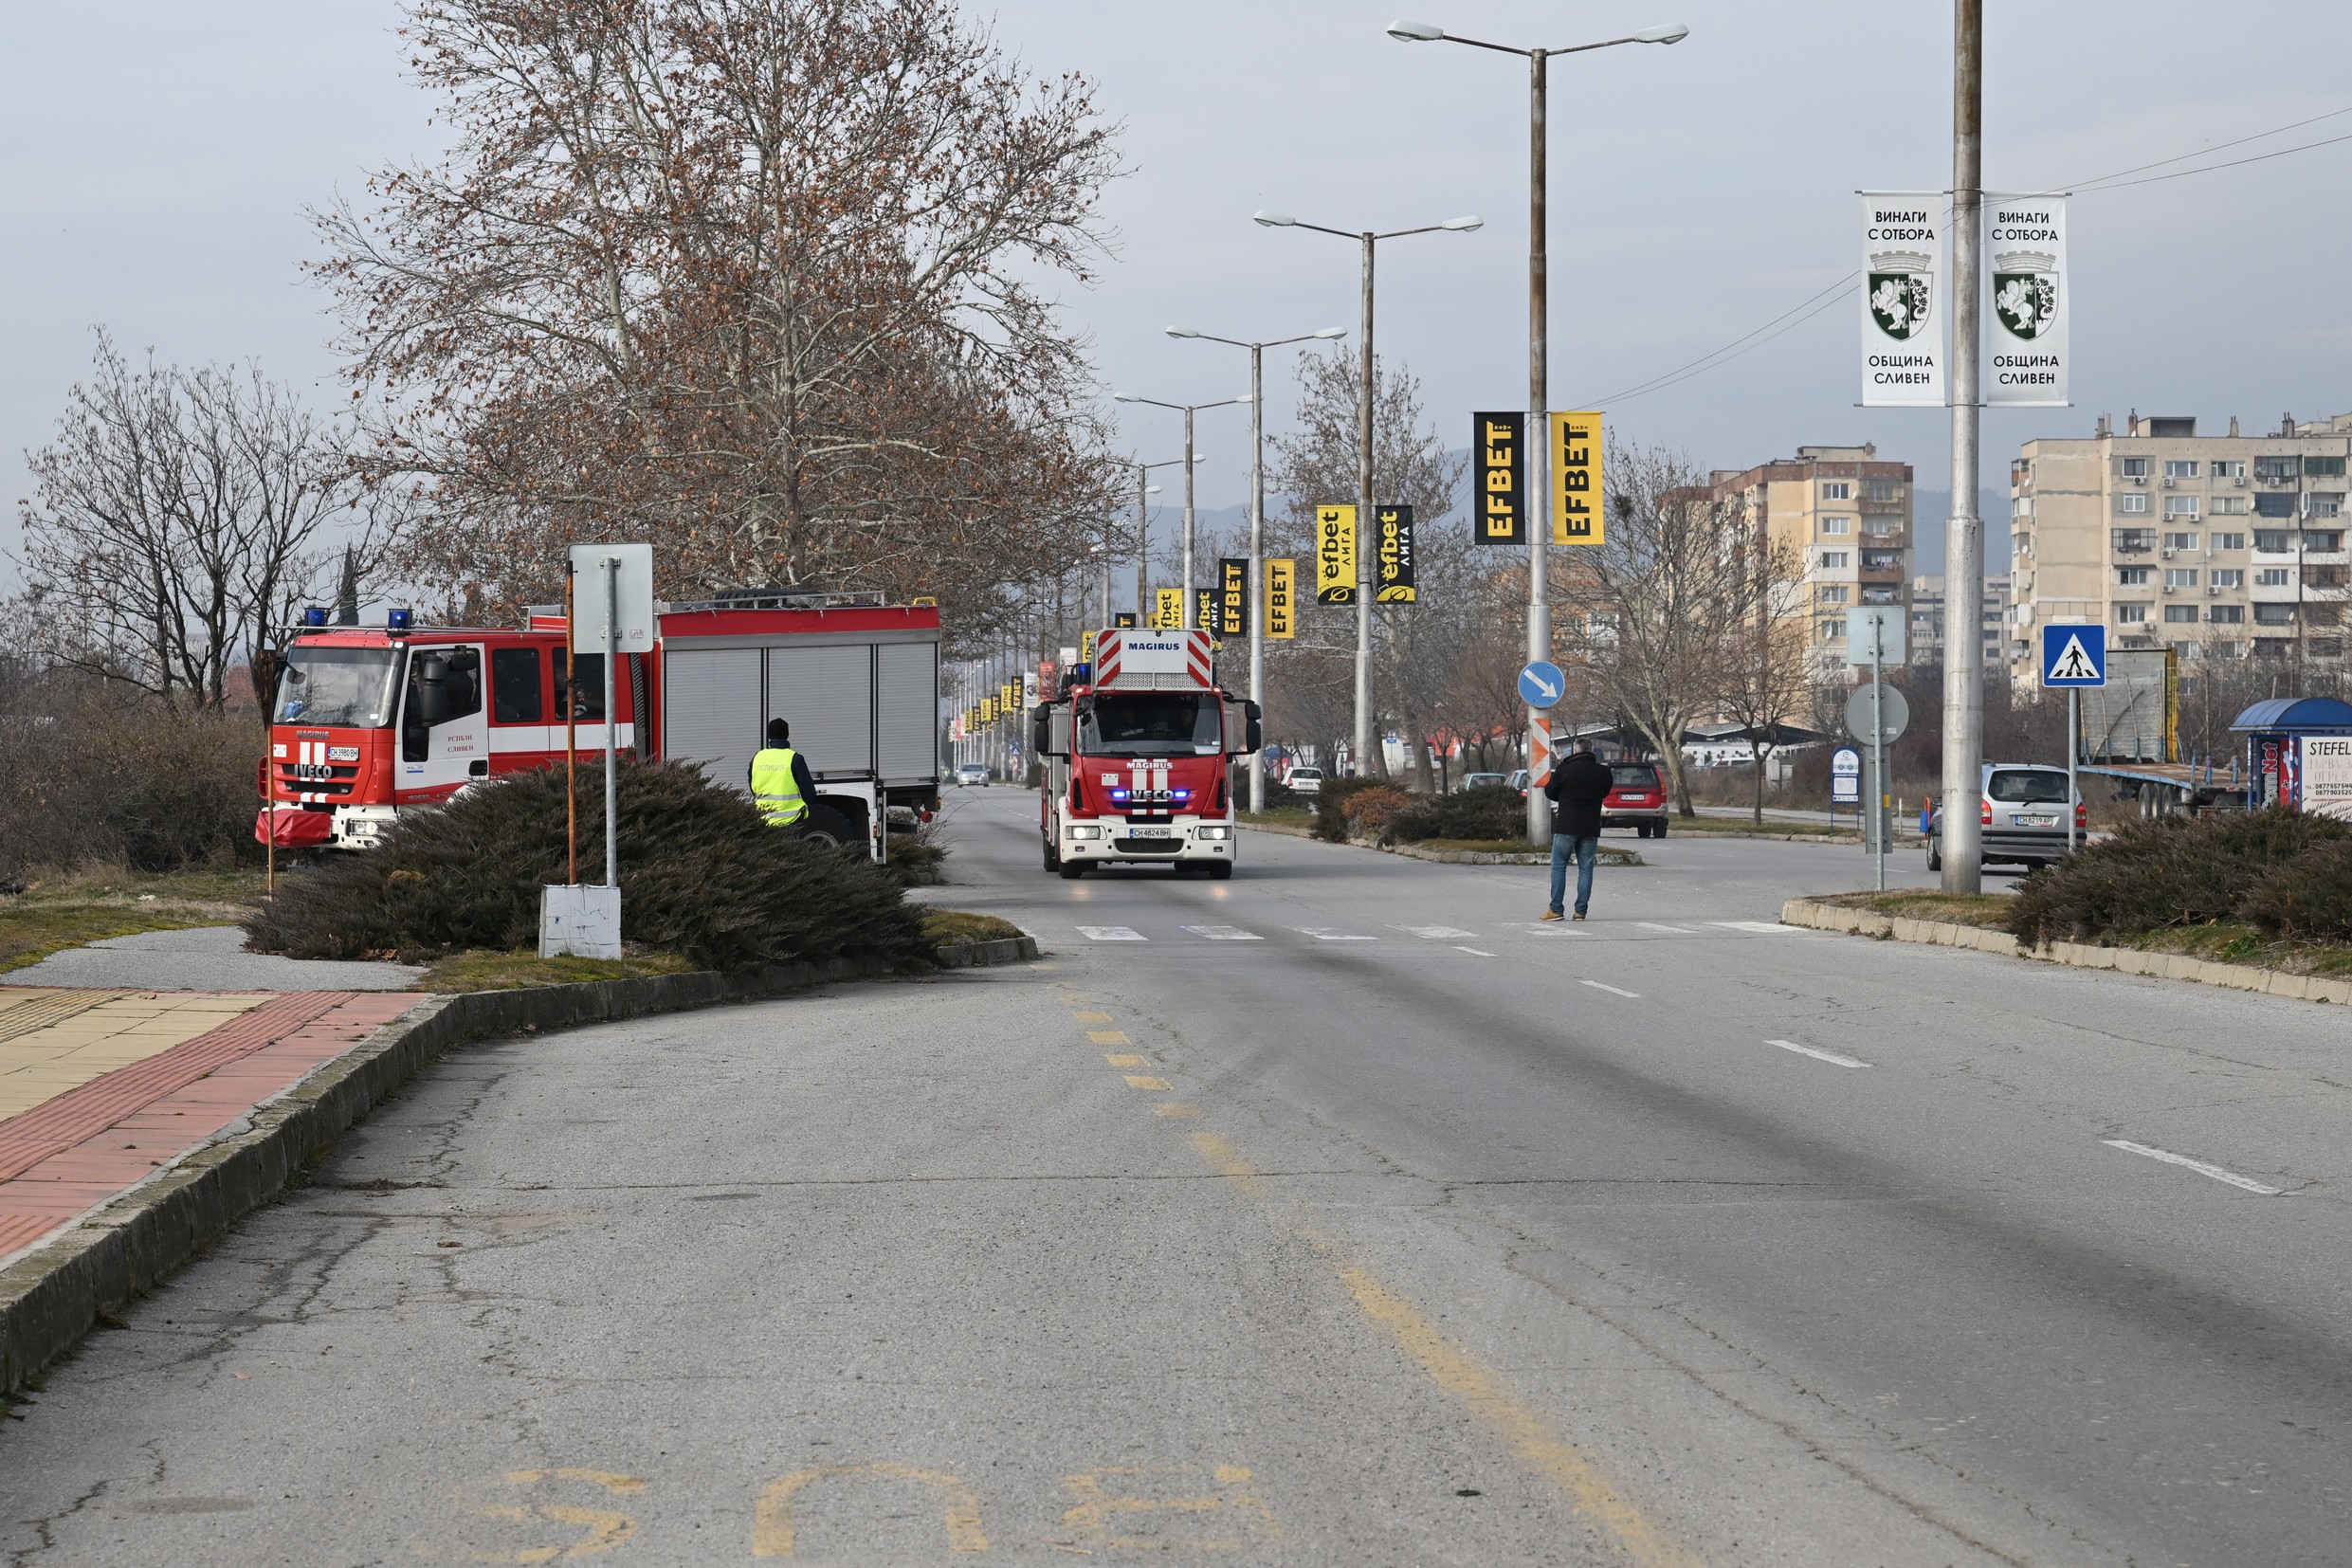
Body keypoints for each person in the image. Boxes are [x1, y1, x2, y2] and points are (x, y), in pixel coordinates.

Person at [1542, 743, 1614, 921]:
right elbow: (1605, 792)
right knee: (1586, 869)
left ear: (1575, 751)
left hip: (1567, 826)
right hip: (1590, 827)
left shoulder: (1565, 770)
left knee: (1559, 866)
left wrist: (1565, 795)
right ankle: (1580, 911)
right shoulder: (1603, 772)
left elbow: (1550, 792)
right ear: (1592, 750)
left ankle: (1556, 909)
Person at [749, 718, 815, 829]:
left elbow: (752, 785)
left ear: (769, 735)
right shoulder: (794, 758)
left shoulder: (757, 757)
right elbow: (809, 792)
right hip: (791, 821)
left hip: (763, 820)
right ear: (787, 734)